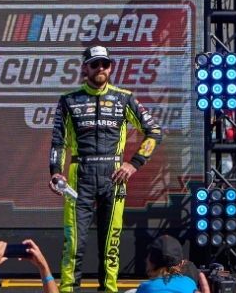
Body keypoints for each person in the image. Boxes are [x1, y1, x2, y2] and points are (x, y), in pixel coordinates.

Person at [49, 45, 165, 293]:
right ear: (85, 68)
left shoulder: (124, 98)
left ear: (111, 67)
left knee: (110, 244)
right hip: (78, 177)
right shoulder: (68, 100)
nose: (100, 68)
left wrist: (133, 164)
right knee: (74, 244)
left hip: (114, 177)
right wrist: (55, 172)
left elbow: (154, 132)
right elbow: (58, 143)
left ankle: (109, 291)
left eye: (105, 64)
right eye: (95, 64)